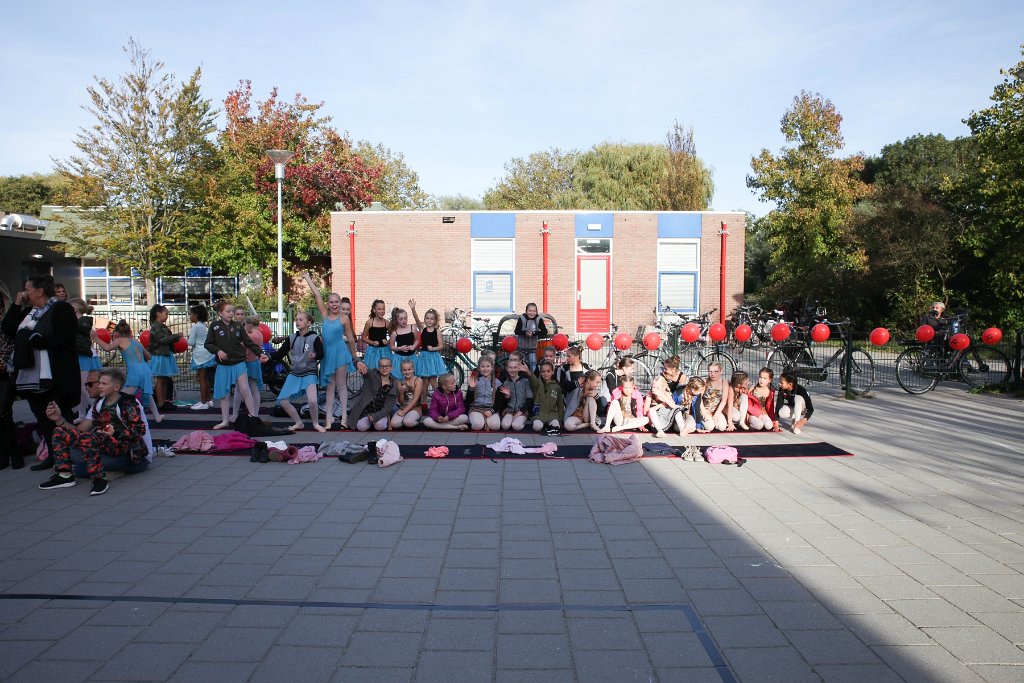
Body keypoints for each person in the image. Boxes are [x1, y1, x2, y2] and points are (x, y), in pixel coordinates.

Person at [2, 275, 82, 471]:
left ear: (40, 291)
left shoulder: (60, 308)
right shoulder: (31, 311)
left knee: (61, 415)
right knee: (43, 418)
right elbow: (7, 328)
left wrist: (36, 340)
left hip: (55, 375)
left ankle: (75, 454)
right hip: (32, 376)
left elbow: (65, 338)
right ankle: (54, 456)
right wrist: (17, 304)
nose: (25, 292)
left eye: (28, 289)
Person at [38, 368, 146, 496]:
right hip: (105, 442)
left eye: (104, 384)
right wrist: (59, 419)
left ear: (116, 387)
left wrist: (115, 433)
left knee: (89, 441)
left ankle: (99, 480)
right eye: (99, 383)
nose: (99, 386)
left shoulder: (127, 404)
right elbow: (81, 431)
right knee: (59, 432)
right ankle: (65, 476)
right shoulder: (100, 403)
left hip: (126, 448)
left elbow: (140, 431)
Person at [303, 273, 363, 429]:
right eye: (332, 302)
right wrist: (307, 278)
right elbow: (316, 294)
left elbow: (350, 338)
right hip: (327, 354)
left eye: (337, 302)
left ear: (339, 303)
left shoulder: (344, 318)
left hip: (341, 354)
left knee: (341, 385)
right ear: (328, 304)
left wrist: (354, 356)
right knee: (330, 386)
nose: (334, 304)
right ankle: (329, 418)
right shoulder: (324, 315)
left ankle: (344, 417)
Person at [204, 300, 267, 430]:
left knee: (245, 389)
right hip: (223, 364)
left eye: (232, 311)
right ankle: (225, 420)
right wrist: (218, 351)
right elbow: (208, 344)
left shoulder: (238, 327)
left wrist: (260, 353)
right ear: (220, 313)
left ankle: (254, 417)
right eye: (228, 311)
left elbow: (248, 342)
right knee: (224, 393)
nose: (231, 314)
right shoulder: (214, 326)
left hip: (238, 362)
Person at [93, 320, 163, 424]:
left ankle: (113, 416)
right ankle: (157, 416)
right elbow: (148, 356)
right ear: (129, 331)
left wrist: (95, 338)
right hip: (145, 368)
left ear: (117, 333)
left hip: (136, 371)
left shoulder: (120, 340)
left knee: (121, 395)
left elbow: (107, 348)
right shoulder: (135, 341)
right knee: (147, 392)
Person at [270, 310, 325, 433]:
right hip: (294, 373)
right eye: (296, 319)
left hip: (309, 373)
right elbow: (280, 353)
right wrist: (268, 357)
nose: (297, 322)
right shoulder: (292, 337)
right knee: (283, 401)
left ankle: (315, 424)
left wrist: (314, 355)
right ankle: (298, 423)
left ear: (308, 323)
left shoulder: (314, 337)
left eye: (301, 320)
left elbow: (321, 354)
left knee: (312, 400)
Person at [0, 279, 23, 470]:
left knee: (4, 412)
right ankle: (3, 454)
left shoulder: (8, 317)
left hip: (5, 371)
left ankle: (14, 453)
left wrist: (2, 360)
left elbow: (9, 342)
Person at [228, 315, 265, 424]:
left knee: (239, 389)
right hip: (254, 362)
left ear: (249, 326)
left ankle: (235, 414)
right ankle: (255, 414)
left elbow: (240, 346)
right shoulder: (260, 334)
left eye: (245, 326)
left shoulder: (251, 336)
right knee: (254, 389)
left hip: (246, 363)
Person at [69, 298, 102, 421]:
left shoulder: (81, 322)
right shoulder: (81, 322)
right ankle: (82, 414)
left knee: (84, 387)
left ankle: (97, 411)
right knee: (81, 388)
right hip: (84, 356)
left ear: (75, 309)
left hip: (85, 358)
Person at [348, 358, 399, 431]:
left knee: (380, 426)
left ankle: (378, 422)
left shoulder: (394, 385)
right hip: (366, 412)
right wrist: (358, 362)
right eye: (382, 366)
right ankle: (369, 423)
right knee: (361, 427)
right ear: (379, 367)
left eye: (387, 366)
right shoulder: (372, 375)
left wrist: (375, 416)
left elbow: (388, 407)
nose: (384, 368)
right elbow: (364, 367)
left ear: (391, 368)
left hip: (380, 413)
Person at [148, 304, 182, 410]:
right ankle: (161, 403)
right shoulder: (156, 326)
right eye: (166, 314)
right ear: (158, 314)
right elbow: (163, 339)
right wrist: (177, 336)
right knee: (160, 379)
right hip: (160, 355)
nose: (167, 316)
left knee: (164, 379)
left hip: (164, 354)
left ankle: (163, 401)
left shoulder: (160, 326)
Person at [410, 300, 445, 394]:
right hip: (424, 357)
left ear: (435, 320)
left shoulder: (437, 331)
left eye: (431, 319)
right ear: (425, 319)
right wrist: (413, 309)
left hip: (434, 357)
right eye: (427, 318)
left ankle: (439, 400)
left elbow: (441, 346)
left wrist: (433, 348)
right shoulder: (422, 329)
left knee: (434, 381)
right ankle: (424, 402)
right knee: (424, 382)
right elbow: (417, 320)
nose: (429, 320)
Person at [647, 357, 687, 438]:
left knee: (677, 401)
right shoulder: (663, 376)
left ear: (673, 369)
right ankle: (661, 431)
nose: (664, 370)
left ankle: (683, 429)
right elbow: (658, 384)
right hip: (664, 396)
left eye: (666, 368)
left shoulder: (681, 376)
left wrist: (669, 383)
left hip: (673, 395)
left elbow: (679, 391)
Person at [187, 304, 216, 410]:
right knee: (206, 378)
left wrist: (183, 339)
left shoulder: (195, 326)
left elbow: (191, 342)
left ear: (196, 315)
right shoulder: (204, 325)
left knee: (201, 378)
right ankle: (208, 399)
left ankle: (203, 401)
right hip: (207, 353)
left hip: (200, 354)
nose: (190, 316)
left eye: (191, 314)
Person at [525, 359, 564, 434]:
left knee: (556, 426)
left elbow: (560, 405)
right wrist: (528, 372)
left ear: (552, 372)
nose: (545, 373)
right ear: (540, 373)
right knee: (537, 427)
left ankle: (547, 426)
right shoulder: (538, 384)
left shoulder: (556, 387)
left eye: (548, 371)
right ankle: (543, 425)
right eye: (543, 371)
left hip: (552, 415)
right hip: (538, 414)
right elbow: (532, 379)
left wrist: (560, 419)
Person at [466, 357, 502, 431]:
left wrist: (492, 411)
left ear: (492, 368)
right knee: (477, 426)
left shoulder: (497, 382)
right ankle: (477, 420)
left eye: (488, 366)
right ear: (479, 368)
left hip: (490, 409)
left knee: (495, 426)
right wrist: (472, 389)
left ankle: (484, 421)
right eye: (482, 366)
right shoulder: (475, 381)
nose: (485, 369)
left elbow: (499, 401)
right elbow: (468, 400)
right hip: (476, 408)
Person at [500, 352, 533, 431]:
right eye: (510, 368)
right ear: (507, 369)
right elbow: (504, 402)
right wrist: (507, 396)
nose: (512, 370)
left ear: (518, 368)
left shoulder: (525, 381)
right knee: (505, 426)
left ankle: (523, 420)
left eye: (515, 368)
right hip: (510, 411)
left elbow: (530, 398)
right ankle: (512, 420)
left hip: (521, 411)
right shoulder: (506, 383)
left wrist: (521, 411)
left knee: (515, 426)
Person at [390, 359, 424, 429]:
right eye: (404, 370)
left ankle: (416, 421)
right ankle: (404, 421)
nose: (407, 372)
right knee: (394, 424)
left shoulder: (418, 380)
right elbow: (401, 401)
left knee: (409, 422)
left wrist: (404, 412)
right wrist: (401, 392)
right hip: (403, 407)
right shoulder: (400, 382)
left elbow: (416, 398)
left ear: (413, 369)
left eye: (409, 369)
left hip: (415, 408)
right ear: (401, 371)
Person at [514, 302, 548, 371]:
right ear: (526, 311)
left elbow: (544, 331)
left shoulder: (539, 319)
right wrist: (525, 333)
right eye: (530, 311)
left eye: (534, 311)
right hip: (521, 349)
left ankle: (533, 379)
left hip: (532, 349)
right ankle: (522, 379)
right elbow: (516, 331)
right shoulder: (521, 318)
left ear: (536, 311)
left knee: (533, 366)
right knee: (521, 366)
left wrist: (534, 333)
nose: (532, 313)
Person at [361, 299, 392, 371]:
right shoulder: (369, 322)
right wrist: (372, 342)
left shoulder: (387, 323)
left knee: (385, 371)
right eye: (379, 309)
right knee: (373, 371)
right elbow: (363, 337)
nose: (381, 311)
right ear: (374, 310)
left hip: (385, 351)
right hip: (372, 352)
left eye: (383, 309)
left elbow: (393, 337)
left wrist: (387, 341)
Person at [389, 307, 419, 380]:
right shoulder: (394, 332)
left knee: (413, 378)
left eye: (405, 318)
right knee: (400, 379)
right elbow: (391, 347)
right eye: (401, 319)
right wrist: (399, 348)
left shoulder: (413, 328)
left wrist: (413, 346)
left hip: (412, 357)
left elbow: (417, 340)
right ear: (396, 320)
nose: (404, 321)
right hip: (399, 358)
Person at [702, 362, 732, 431]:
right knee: (710, 427)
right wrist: (703, 411)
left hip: (716, 410)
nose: (713, 374)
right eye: (710, 372)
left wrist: (716, 415)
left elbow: (723, 401)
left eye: (716, 372)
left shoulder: (724, 382)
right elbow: (699, 399)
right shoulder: (705, 381)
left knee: (722, 427)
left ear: (721, 371)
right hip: (706, 410)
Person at [747, 367, 778, 432]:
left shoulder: (770, 392)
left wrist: (773, 420)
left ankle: (761, 422)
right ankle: (751, 424)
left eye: (764, 378)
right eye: (760, 377)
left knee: (769, 426)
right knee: (759, 426)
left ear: (769, 380)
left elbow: (771, 408)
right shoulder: (753, 389)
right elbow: (747, 404)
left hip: (763, 414)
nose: (761, 380)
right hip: (753, 414)